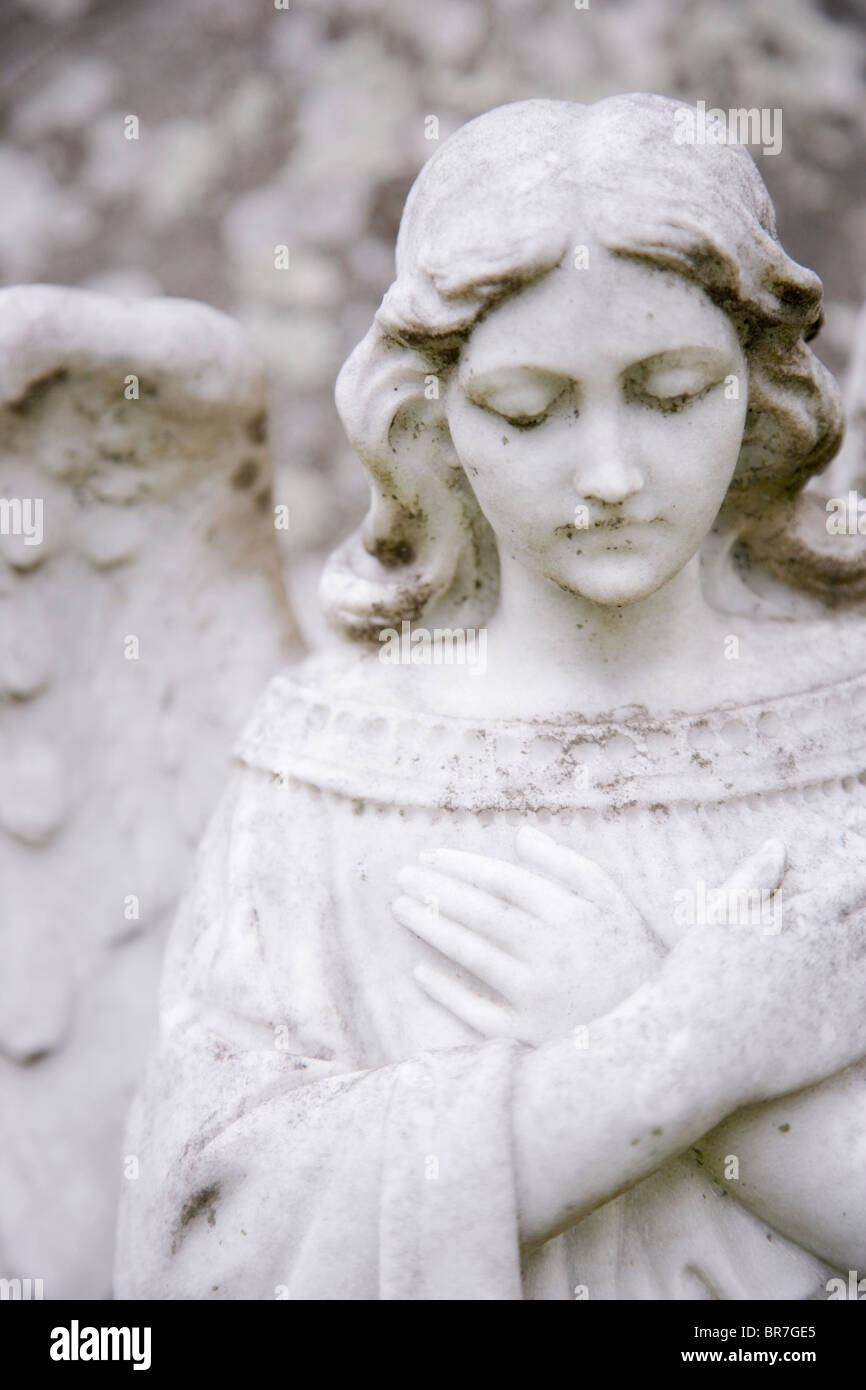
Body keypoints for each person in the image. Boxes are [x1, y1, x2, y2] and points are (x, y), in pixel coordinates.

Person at [116, 95, 866, 1301]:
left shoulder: (847, 736)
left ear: (762, 386)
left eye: (672, 394)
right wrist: (675, 1049)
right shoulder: (329, 768)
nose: (610, 473)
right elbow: (208, 1247)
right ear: (435, 421)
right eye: (528, 411)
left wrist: (655, 1022)